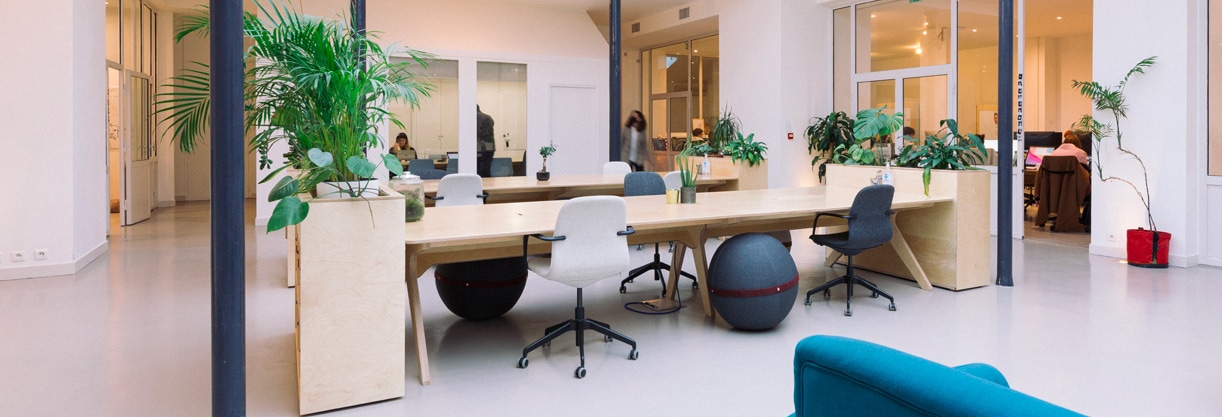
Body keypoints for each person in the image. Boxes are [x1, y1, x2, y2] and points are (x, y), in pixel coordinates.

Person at [476, 105, 495, 177]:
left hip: (479, 148)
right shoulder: (489, 117)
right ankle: (488, 186)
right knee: (486, 170)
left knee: (478, 172)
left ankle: (479, 187)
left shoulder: (473, 117)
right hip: (490, 148)